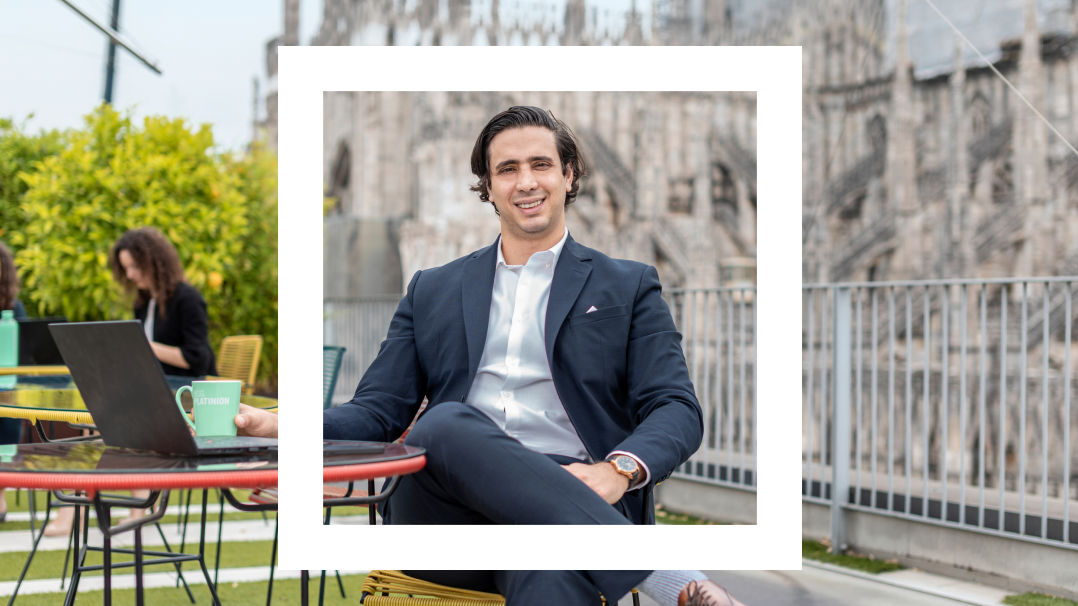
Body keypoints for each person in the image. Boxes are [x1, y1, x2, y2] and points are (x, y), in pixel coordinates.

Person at [317, 106, 743, 605]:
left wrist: (617, 470)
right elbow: (377, 410)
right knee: (445, 425)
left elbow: (676, 407)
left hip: (572, 501)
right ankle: (662, 575)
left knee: (552, 575)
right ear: (487, 186)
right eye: (507, 169)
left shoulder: (627, 285)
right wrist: (280, 428)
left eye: (541, 165)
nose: (526, 182)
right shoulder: (432, 289)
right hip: (447, 517)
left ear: (569, 175)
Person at [109, 226, 217, 377]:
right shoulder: (142, 303)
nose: (129, 275)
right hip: (156, 387)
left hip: (189, 391)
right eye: (125, 268)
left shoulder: (187, 298)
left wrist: (144, 347)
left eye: (135, 267)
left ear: (155, 262)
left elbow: (197, 358)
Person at [0, 241, 27, 523]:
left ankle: (0, 498)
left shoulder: (14, 308)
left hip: (7, 384)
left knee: (8, 414)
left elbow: (24, 352)